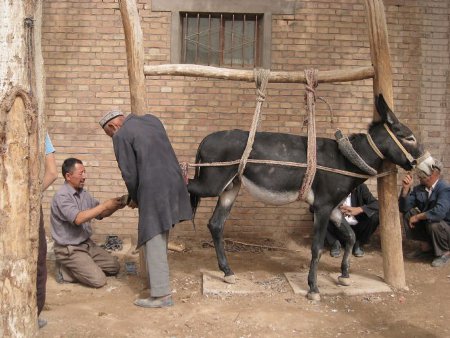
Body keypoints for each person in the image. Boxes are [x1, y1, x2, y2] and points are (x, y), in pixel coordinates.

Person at [99, 110, 192, 308]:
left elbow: (129, 173)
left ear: (113, 127)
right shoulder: (152, 120)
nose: (112, 137)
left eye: (110, 135)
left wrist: (135, 197)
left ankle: (161, 295)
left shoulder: (121, 135)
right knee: (161, 232)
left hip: (154, 188)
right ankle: (159, 283)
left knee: (152, 235)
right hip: (175, 182)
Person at [51, 157, 125, 287]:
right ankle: (64, 271)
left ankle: (84, 265)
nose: (84, 176)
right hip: (69, 249)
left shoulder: (83, 193)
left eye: (85, 172)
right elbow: (78, 219)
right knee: (99, 281)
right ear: (68, 176)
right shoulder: (61, 196)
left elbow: (101, 213)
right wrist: (104, 205)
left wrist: (117, 204)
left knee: (114, 267)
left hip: (86, 244)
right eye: (81, 173)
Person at [399, 159, 450, 267]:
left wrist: (418, 217)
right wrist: (405, 189)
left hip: (446, 229)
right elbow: (404, 208)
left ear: (432, 175)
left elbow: (439, 213)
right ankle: (426, 248)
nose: (419, 177)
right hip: (430, 225)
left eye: (421, 176)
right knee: (408, 214)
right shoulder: (419, 189)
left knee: (434, 223)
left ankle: (445, 253)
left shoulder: (445, 188)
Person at [37, 133, 58, 328]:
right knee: (37, 258)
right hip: (25, 205)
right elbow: (52, 172)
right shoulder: (38, 129)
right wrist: (32, 195)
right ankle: (33, 313)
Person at [326, 183, 379, 258]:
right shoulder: (331, 188)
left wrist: (360, 209)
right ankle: (335, 243)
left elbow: (376, 204)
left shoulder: (360, 187)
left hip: (357, 229)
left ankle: (358, 244)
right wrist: (334, 210)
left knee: (375, 216)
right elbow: (313, 208)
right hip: (338, 229)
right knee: (318, 217)